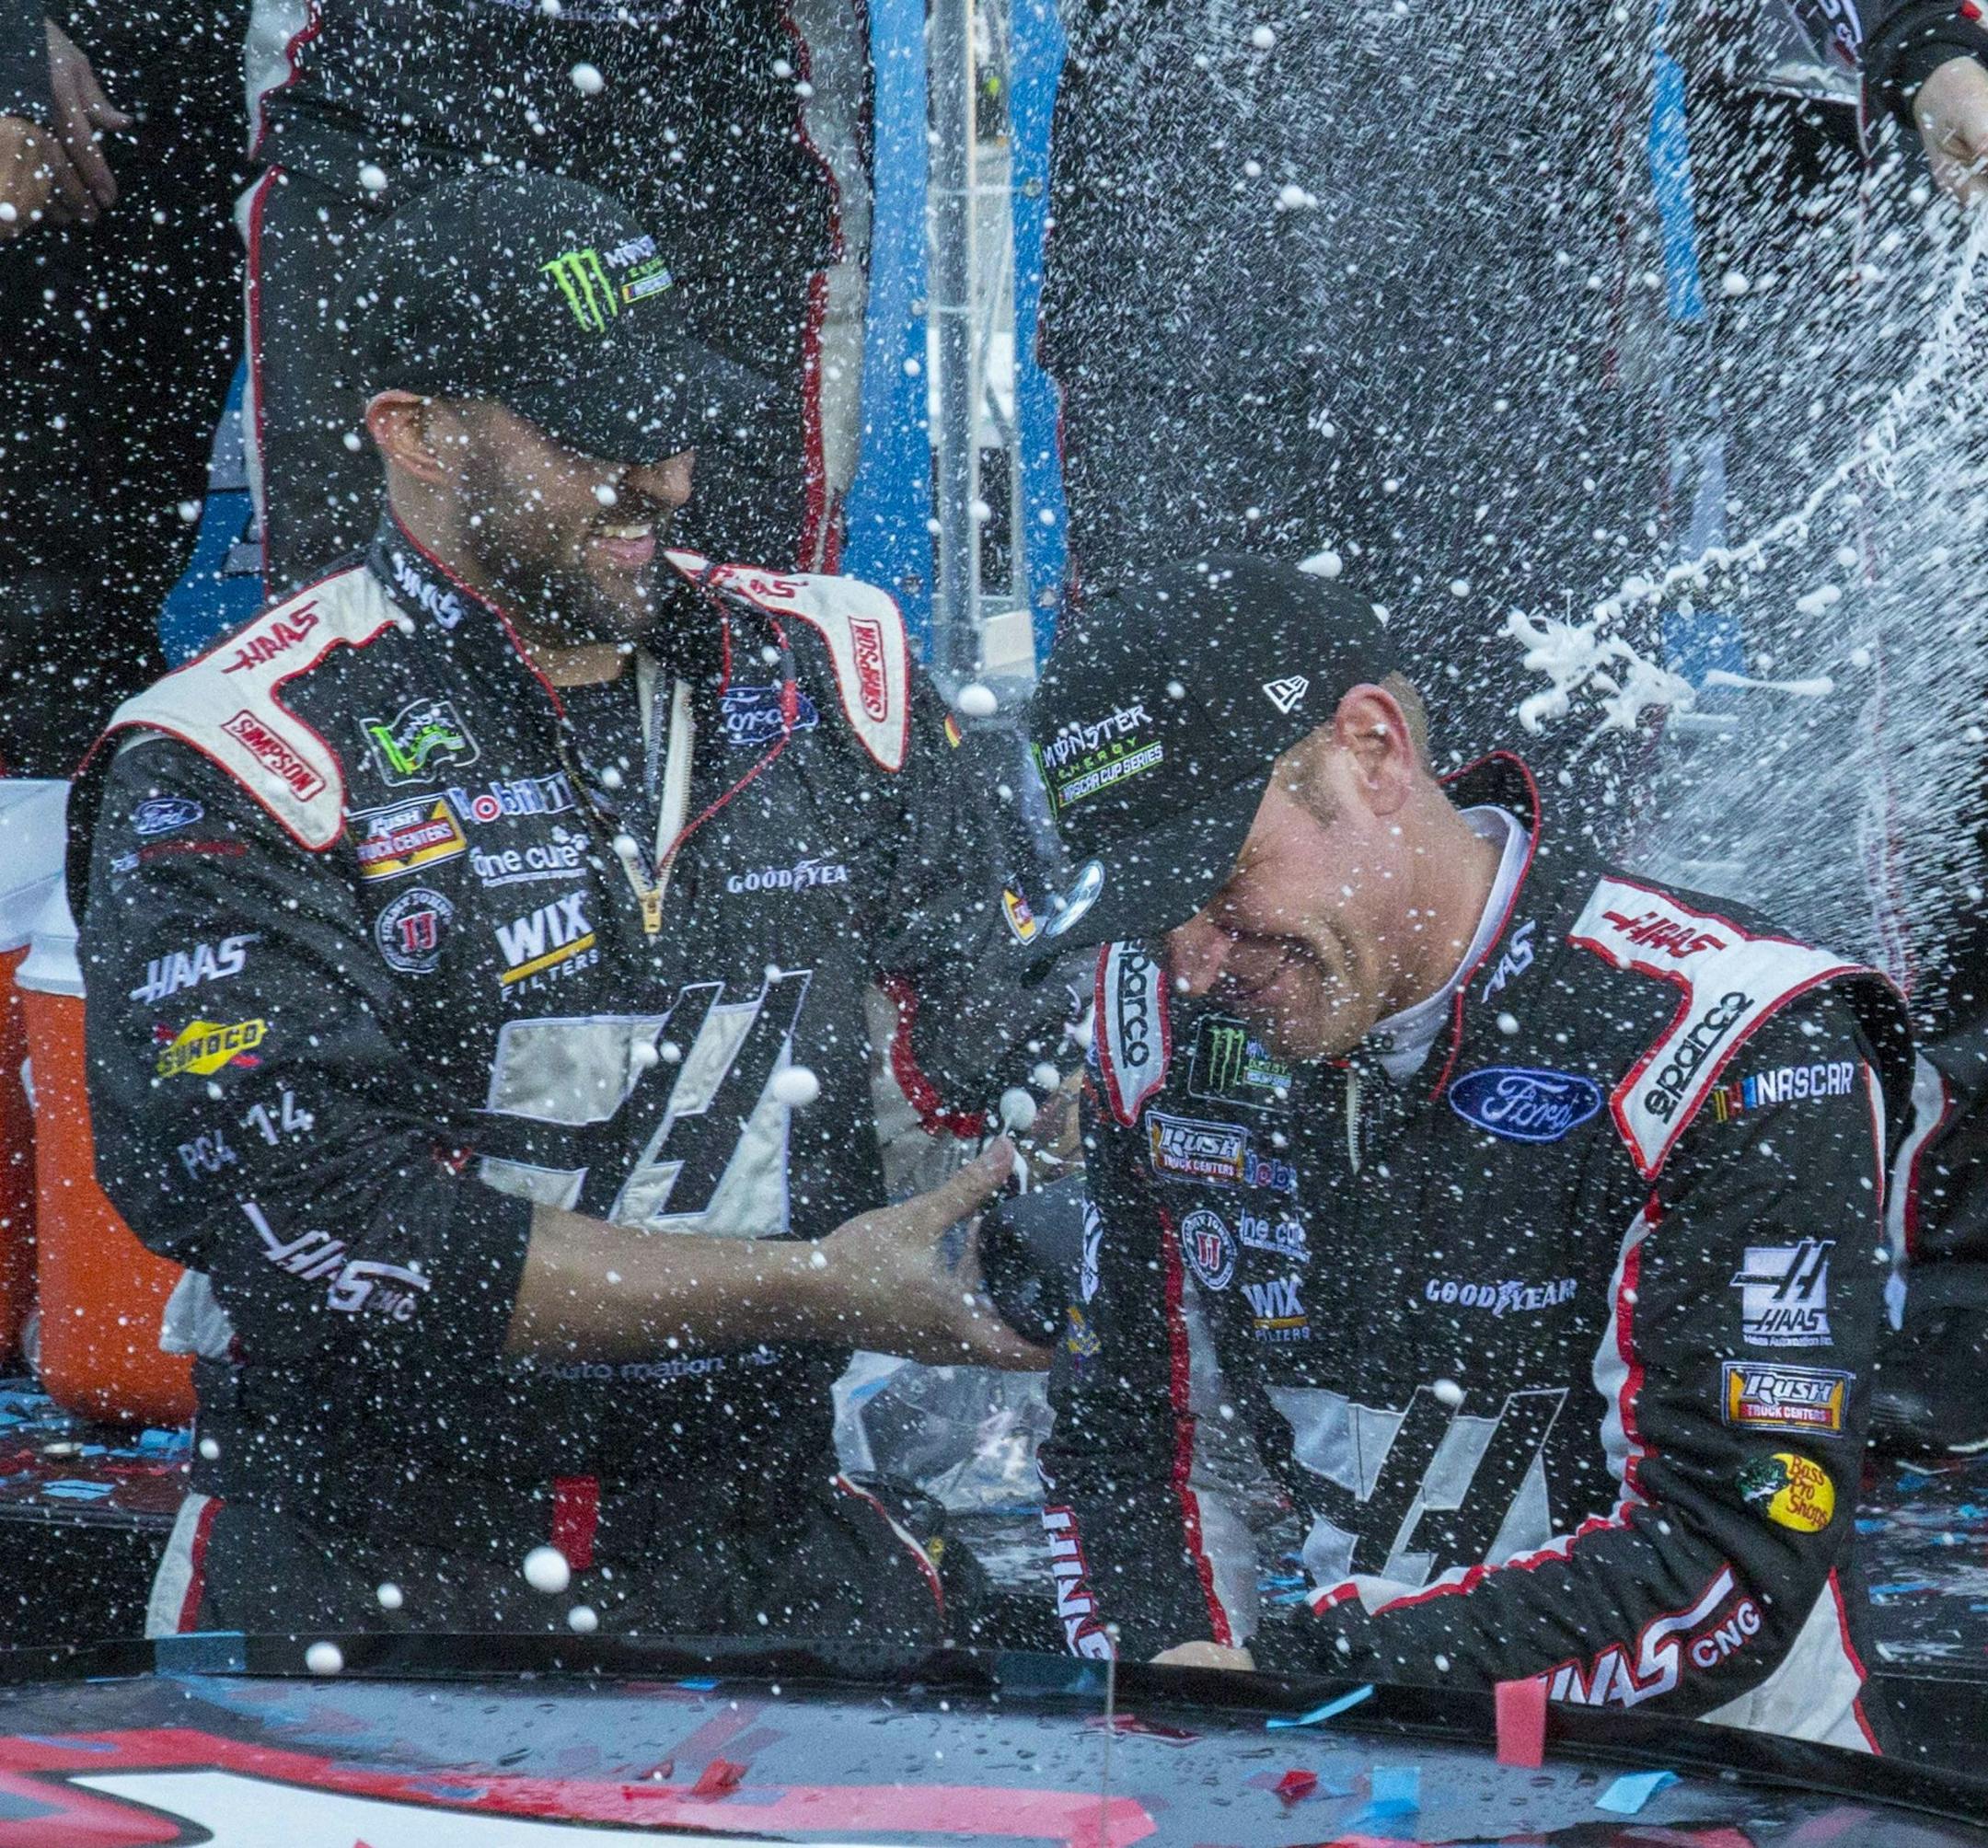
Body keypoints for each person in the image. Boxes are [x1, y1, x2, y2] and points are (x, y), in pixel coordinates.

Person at [70, 171, 1060, 1642]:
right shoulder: (233, 756)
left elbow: (985, 1078)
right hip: (365, 1571)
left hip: (767, 1549)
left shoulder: (838, 676)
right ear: (411, 434)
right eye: (593, 439)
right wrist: (810, 1290)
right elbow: (338, 1226)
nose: (660, 481)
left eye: (669, 425)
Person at [1019, 558, 1912, 1746]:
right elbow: (1121, 1452)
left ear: (1375, 752)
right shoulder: (1160, 1023)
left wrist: (1291, 1685)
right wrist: (1184, 1713)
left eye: (1214, 879)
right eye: (1143, 905)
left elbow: (1730, 1556)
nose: (1189, 959)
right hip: (1344, 1772)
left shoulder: (1738, 1031)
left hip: (1716, 1780)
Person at [1036, 1, 1988, 776]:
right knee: (1173, 740)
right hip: (1171, 229)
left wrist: (1920, 40)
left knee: (1527, 740)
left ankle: (1517, 992)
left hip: (1509, 251)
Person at [239, 0, 862, 595]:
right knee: (361, 566)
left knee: (735, 575)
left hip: (716, 113)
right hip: (387, 101)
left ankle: (733, 700)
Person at [0, 0, 246, 771]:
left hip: (220, 118)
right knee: (44, 593)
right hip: (67, 116)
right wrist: (10, 51)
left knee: (132, 572)